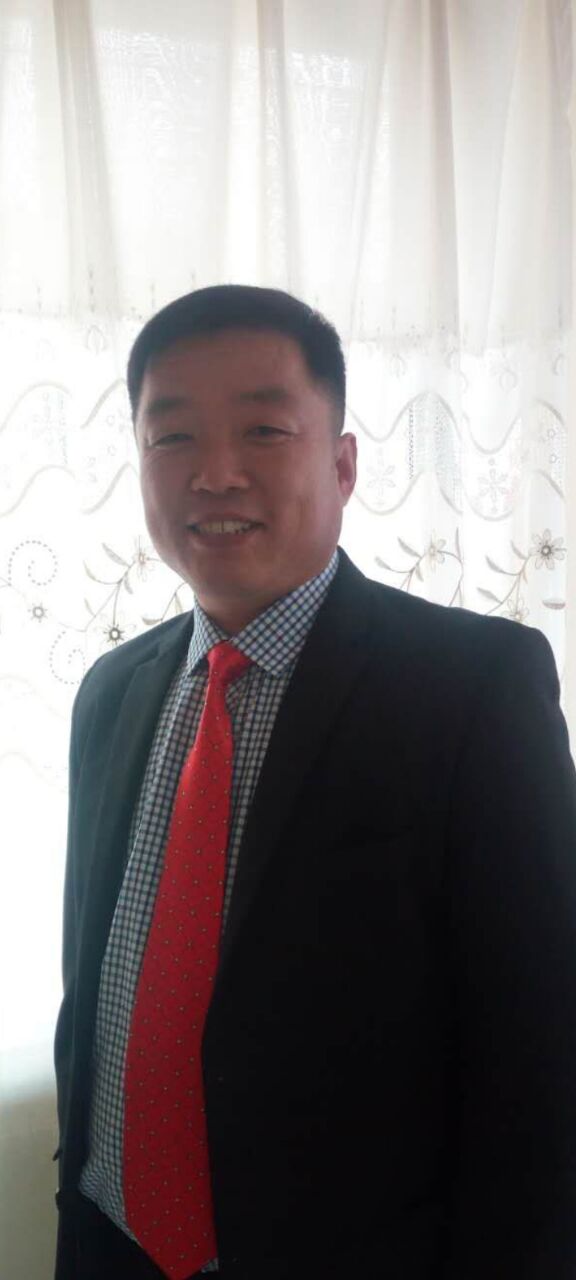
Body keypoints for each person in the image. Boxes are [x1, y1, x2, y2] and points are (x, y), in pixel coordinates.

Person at [54, 284, 576, 1280]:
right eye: (172, 437)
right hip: (110, 1241)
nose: (214, 473)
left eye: (263, 429)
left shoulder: (473, 689)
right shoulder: (110, 691)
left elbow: (540, 1058)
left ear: (342, 465)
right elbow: (96, 992)